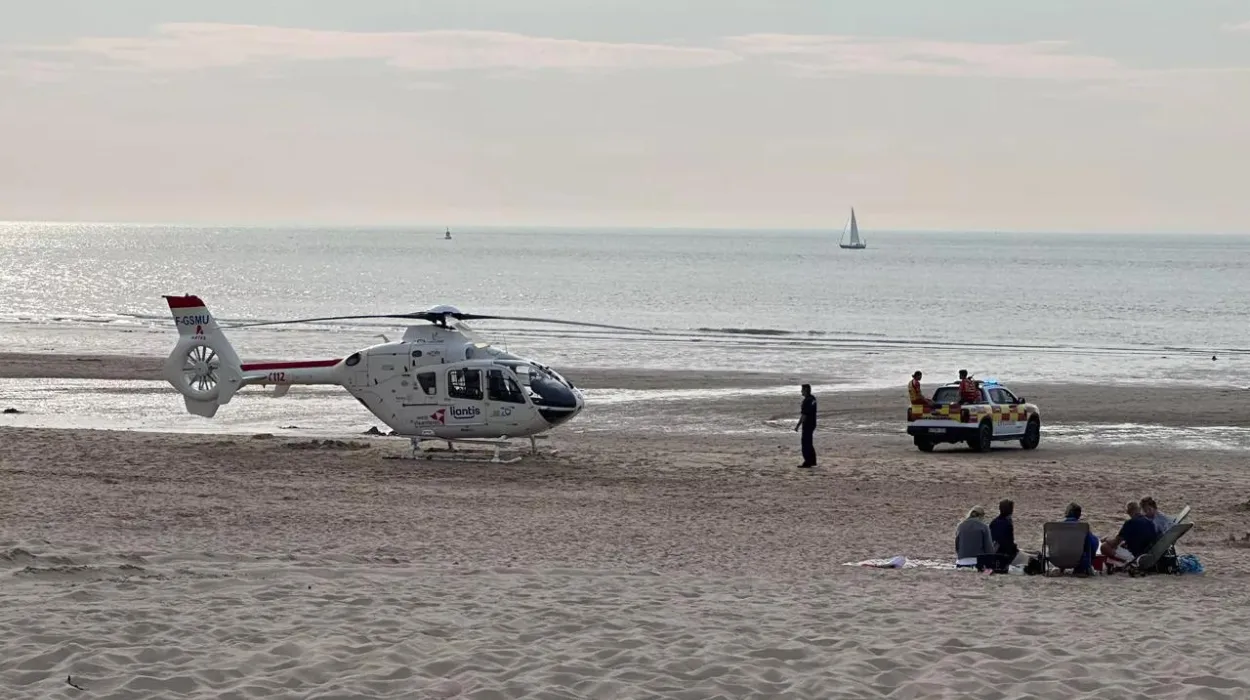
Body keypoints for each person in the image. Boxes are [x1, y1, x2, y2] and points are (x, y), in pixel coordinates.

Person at [1100, 501, 1159, 568]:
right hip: (1147, 554)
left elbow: (1114, 543)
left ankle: (1124, 563)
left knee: (1104, 547)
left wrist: (1106, 539)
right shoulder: (1150, 522)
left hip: (1135, 556)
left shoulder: (1130, 523)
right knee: (1122, 545)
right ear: (1139, 510)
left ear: (1129, 512)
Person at [1062, 502, 1100, 575]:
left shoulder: (1057, 527)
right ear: (1079, 515)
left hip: (1058, 559)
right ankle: (1080, 570)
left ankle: (1061, 569)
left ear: (1067, 513)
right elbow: (1092, 545)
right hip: (1079, 561)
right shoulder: (1082, 528)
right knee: (1094, 540)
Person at [955, 506, 996, 571]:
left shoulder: (960, 526)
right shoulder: (984, 527)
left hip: (961, 562)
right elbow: (989, 548)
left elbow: (957, 546)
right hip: (977, 563)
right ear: (982, 516)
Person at [988, 499, 1019, 573]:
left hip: (994, 552)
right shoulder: (1008, 523)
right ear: (1011, 510)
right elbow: (1008, 543)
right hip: (1004, 554)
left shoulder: (994, 522)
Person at [794, 384, 817, 468]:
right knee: (809, 442)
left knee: (805, 443)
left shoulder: (807, 401)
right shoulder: (813, 399)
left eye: (802, 390)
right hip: (812, 423)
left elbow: (804, 415)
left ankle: (807, 461)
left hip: (807, 424)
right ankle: (812, 461)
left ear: (806, 390)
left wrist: (797, 425)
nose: (801, 391)